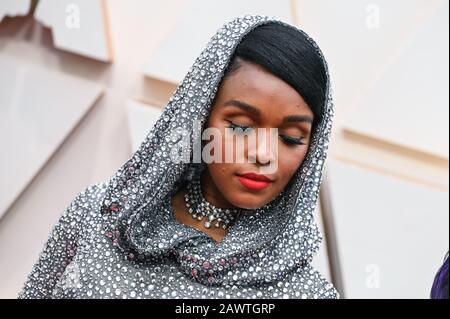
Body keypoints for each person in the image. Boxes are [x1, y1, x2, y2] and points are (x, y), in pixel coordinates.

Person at [19, 14, 338, 299]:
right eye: (240, 127)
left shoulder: (306, 293)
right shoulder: (95, 217)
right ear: (200, 117)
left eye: (291, 138)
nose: (264, 155)